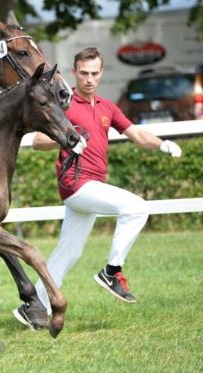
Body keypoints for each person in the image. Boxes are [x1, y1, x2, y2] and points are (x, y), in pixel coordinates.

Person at [14, 47, 182, 324]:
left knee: (69, 252)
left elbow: (136, 133)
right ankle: (112, 271)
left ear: (101, 73)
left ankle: (33, 309)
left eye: (94, 73)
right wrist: (68, 137)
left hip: (91, 186)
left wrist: (162, 143)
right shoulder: (64, 105)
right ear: (74, 74)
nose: (89, 79)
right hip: (76, 184)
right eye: (84, 73)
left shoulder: (106, 107)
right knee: (136, 207)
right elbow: (37, 141)